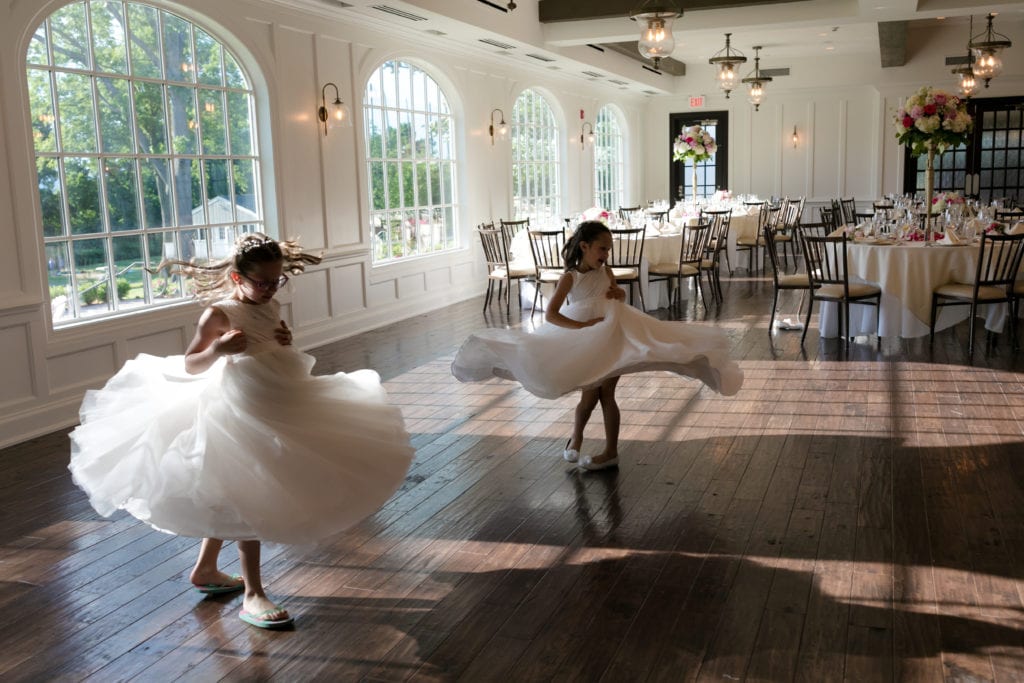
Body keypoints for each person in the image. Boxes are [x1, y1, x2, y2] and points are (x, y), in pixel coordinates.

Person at [69, 233, 414, 629]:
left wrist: (284, 339)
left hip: (277, 395)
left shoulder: (272, 303)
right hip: (237, 405)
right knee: (248, 489)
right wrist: (217, 350)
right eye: (262, 282)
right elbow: (190, 365)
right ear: (237, 279)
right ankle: (253, 593)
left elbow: (272, 340)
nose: (270, 289)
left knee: (229, 491)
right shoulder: (218, 314)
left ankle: (206, 569)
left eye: (277, 281)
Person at [452, 220, 743, 470]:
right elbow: (552, 314)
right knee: (589, 397)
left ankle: (610, 452)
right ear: (585, 247)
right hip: (584, 338)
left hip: (612, 335)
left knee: (606, 394)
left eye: (608, 249)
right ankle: (577, 438)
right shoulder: (571, 277)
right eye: (602, 248)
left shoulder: (607, 271)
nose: (606, 254)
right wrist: (583, 328)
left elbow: (615, 298)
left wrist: (618, 295)